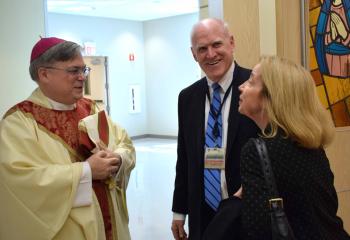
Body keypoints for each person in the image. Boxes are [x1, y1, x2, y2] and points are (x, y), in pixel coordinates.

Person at [0, 37, 136, 240]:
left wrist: (117, 159)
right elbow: (20, 181)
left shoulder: (92, 110)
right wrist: (87, 171)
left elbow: (124, 143)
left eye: (84, 70)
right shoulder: (19, 122)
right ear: (44, 74)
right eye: (73, 71)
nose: (82, 77)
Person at [238, 55, 350, 239]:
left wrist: (235, 201)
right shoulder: (312, 145)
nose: (241, 87)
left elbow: (257, 228)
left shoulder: (256, 151)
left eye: (250, 81)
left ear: (270, 96)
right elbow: (329, 206)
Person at [171, 18, 259, 240]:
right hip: (203, 214)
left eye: (217, 44)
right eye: (202, 49)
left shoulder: (257, 88)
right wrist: (179, 211)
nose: (210, 54)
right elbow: (184, 158)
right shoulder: (187, 97)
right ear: (193, 54)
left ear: (231, 43)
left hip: (247, 212)